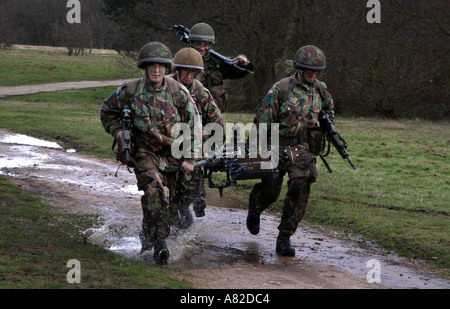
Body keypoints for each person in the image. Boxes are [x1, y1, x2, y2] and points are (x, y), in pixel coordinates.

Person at [100, 42, 201, 265]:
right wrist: (118, 132)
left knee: (170, 202)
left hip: (174, 154)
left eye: (160, 67)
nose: (156, 71)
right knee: (155, 191)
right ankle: (160, 244)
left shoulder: (178, 92)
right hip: (144, 153)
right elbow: (106, 111)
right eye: (151, 66)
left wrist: (191, 158)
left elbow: (194, 123)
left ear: (166, 68)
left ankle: (147, 233)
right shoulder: (130, 91)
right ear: (145, 68)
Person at [246, 45, 335, 256]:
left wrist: (327, 128)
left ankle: (284, 236)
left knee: (302, 182)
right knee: (271, 191)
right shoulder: (282, 88)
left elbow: (329, 111)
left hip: (301, 146)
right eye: (308, 71)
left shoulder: (321, 90)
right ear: (300, 69)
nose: (312, 75)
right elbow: (262, 120)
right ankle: (255, 208)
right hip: (276, 143)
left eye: (316, 71)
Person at [169, 47, 224, 228]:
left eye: (192, 72)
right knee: (166, 192)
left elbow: (217, 125)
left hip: (193, 150)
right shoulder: (165, 88)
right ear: (177, 70)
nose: (187, 75)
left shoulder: (201, 93)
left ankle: (183, 211)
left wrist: (207, 149)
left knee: (190, 192)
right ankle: (167, 225)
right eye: (184, 70)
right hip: (167, 147)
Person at [188, 22, 252, 112]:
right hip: (189, 112)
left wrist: (242, 62)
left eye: (205, 45)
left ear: (210, 45)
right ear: (192, 43)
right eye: (198, 44)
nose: (202, 48)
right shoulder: (182, 61)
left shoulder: (217, 62)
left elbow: (239, 72)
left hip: (213, 113)